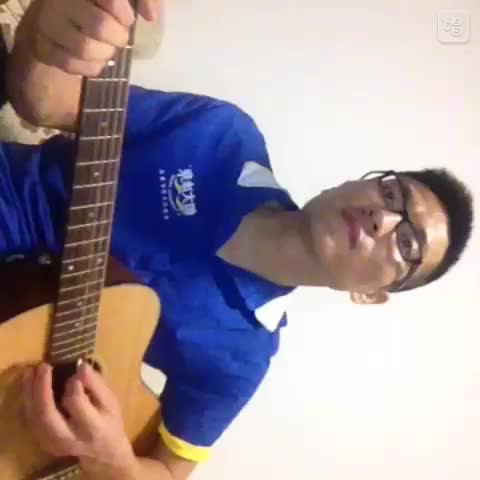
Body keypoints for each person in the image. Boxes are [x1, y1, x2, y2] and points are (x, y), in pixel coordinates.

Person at [2, 0, 473, 479]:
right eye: (392, 193)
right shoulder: (224, 135)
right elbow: (47, 103)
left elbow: (170, 471)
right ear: (354, 182)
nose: (382, 218)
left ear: (370, 294)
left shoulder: (242, 355)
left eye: (406, 243)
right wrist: (47, 29)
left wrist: (111, 457)